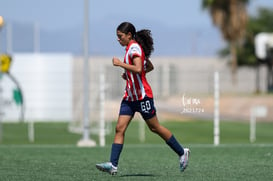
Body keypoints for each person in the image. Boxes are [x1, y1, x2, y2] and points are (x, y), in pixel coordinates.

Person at [96, 22, 190, 175]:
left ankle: (182, 152)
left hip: (142, 97)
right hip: (129, 98)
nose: (118, 40)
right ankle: (113, 165)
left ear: (129, 35)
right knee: (119, 128)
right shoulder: (131, 48)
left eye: (120, 37)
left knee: (155, 128)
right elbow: (148, 67)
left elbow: (139, 68)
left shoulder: (134, 48)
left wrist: (121, 64)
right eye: (117, 37)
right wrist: (129, 75)